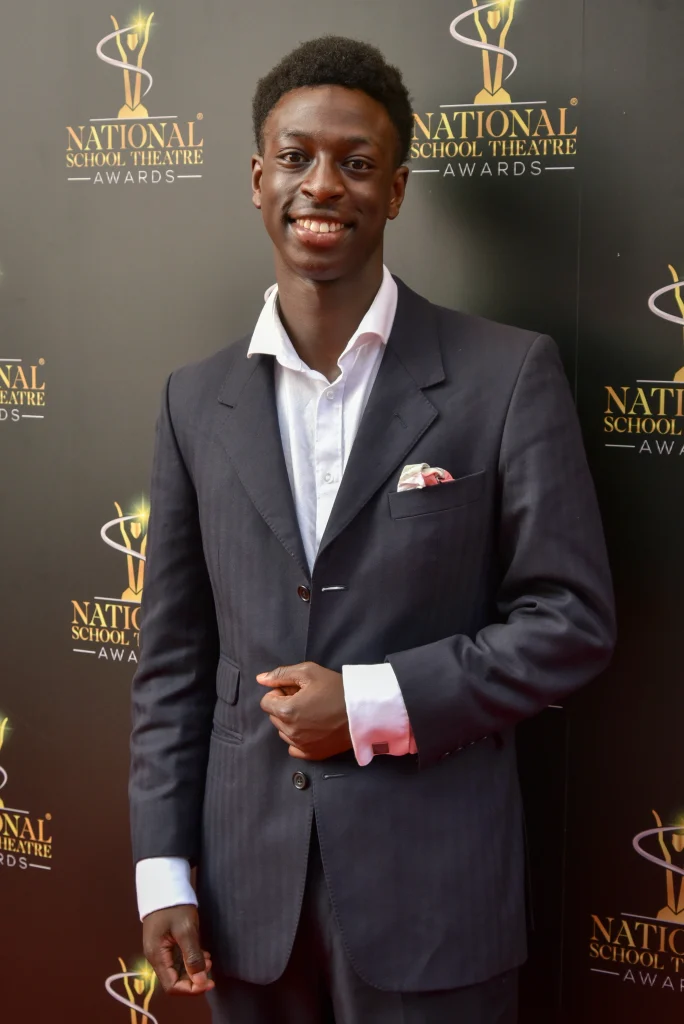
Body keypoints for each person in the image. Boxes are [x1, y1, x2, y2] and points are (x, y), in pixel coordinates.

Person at [129, 35, 615, 1024]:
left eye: (355, 163)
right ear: (257, 179)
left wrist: (369, 705)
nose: (323, 185)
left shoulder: (507, 374)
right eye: (296, 157)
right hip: (246, 904)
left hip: (437, 900)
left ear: (394, 191)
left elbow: (571, 621)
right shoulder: (193, 401)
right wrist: (163, 872)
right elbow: (174, 660)